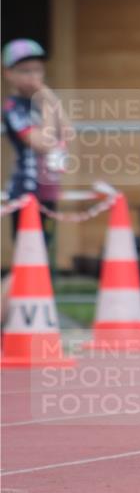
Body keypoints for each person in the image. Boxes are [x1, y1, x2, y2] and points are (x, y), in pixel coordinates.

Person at [1, 39, 69, 323]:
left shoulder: (41, 105)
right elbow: (43, 143)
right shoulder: (13, 107)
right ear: (9, 74)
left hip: (47, 193)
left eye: (38, 70)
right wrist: (49, 108)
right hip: (27, 194)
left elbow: (67, 132)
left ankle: (21, 321)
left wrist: (50, 100)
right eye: (26, 71)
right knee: (26, 261)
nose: (34, 77)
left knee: (38, 261)